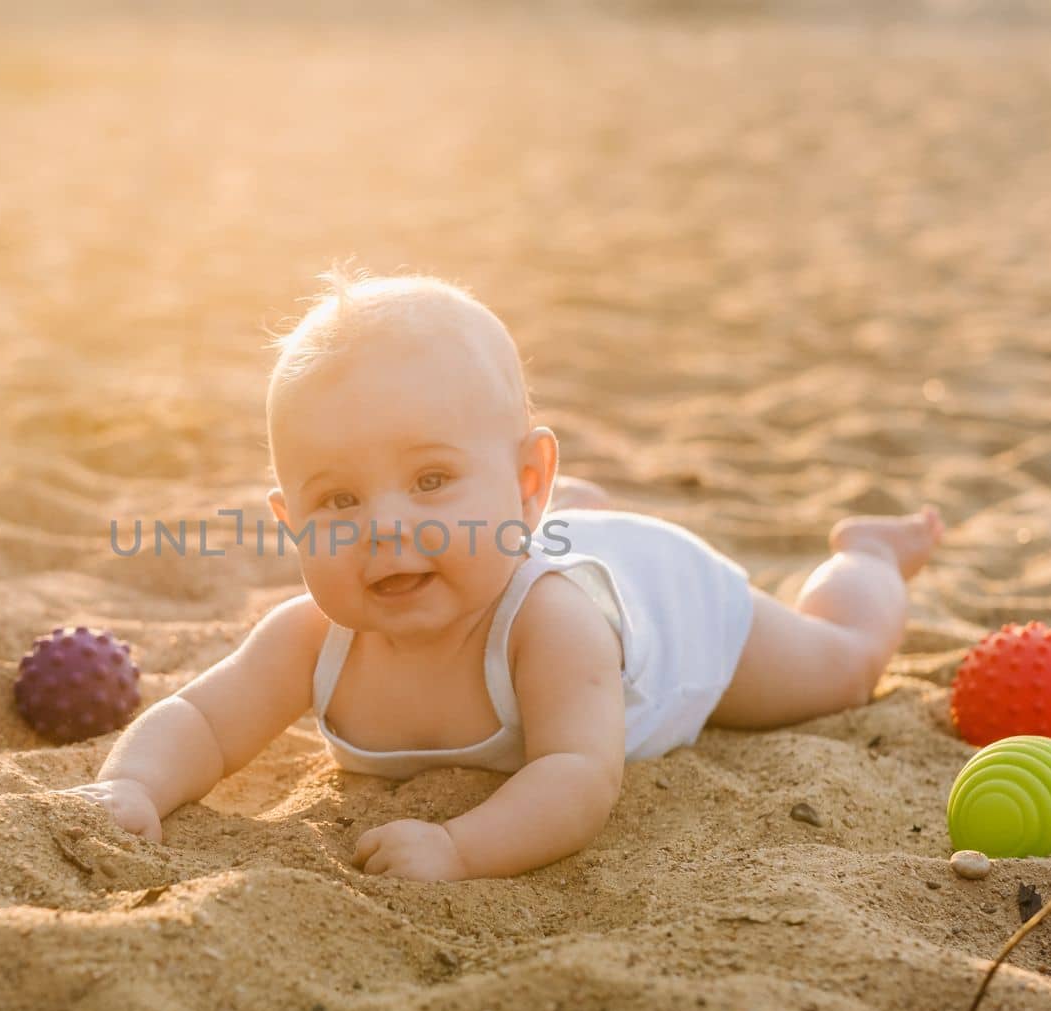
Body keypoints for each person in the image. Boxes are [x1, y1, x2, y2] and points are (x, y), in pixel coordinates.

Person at [64, 269, 944, 881]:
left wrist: (460, 848)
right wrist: (134, 783)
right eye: (338, 499)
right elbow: (203, 721)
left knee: (841, 666)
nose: (387, 528)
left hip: (668, 612)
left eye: (432, 479)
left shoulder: (547, 626)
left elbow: (577, 776)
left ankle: (865, 556)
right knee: (505, 532)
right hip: (528, 530)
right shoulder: (308, 636)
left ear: (525, 480)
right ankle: (556, 509)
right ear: (288, 521)